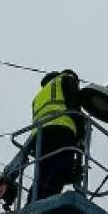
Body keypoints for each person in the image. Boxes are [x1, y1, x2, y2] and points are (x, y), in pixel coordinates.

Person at [29, 69, 83, 203]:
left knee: (42, 172)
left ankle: (32, 203)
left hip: (39, 135)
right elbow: (74, 106)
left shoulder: (39, 96)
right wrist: (81, 133)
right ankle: (49, 196)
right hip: (61, 127)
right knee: (63, 162)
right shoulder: (66, 78)